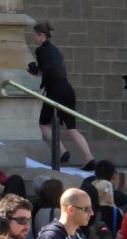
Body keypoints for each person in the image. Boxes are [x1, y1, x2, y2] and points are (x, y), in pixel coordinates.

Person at [28, 21, 95, 171]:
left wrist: (42, 87)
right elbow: (49, 68)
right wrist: (35, 70)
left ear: (42, 35)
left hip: (56, 91)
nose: (34, 38)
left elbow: (47, 69)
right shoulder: (54, 50)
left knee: (43, 124)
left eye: (35, 35)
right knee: (70, 127)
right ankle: (89, 158)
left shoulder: (41, 50)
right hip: (67, 89)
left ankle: (63, 152)